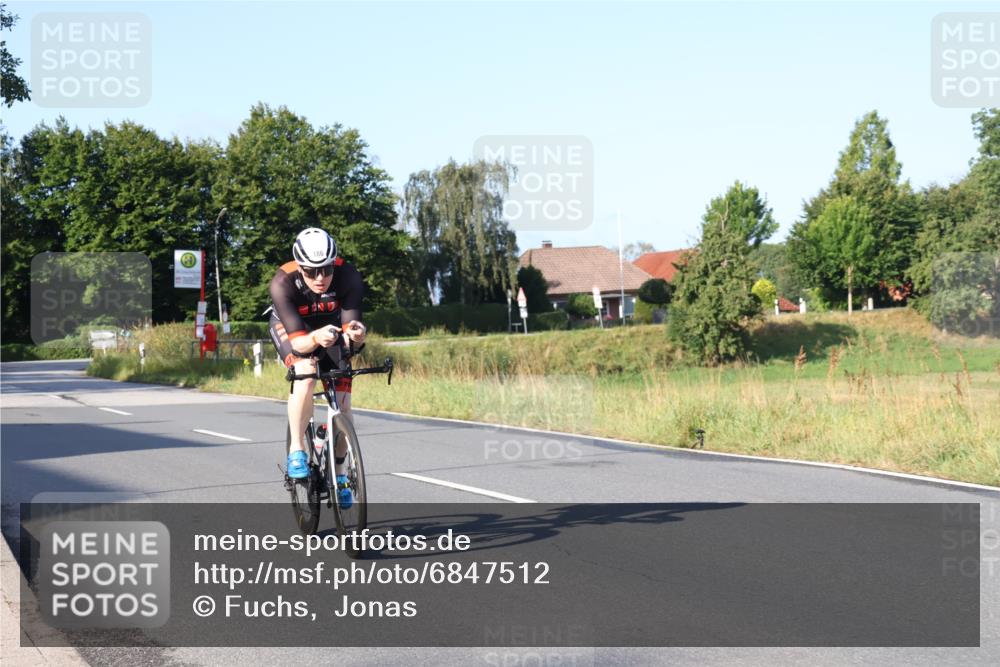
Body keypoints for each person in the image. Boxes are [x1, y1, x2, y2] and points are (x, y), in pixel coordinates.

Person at [267, 227, 366, 508]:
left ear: (334, 263)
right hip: (293, 331)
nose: (320, 278)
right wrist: (314, 338)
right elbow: (299, 344)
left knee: (343, 405)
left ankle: (341, 473)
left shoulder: (348, 276)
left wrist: (357, 335)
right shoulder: (282, 282)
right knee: (306, 372)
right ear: (300, 267)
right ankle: (297, 450)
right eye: (311, 272)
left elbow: (352, 327)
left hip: (331, 328)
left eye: (325, 270)